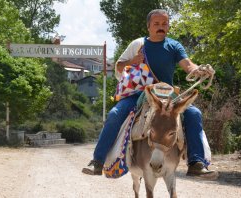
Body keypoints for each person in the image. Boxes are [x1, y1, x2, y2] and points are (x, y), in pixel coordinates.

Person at [82, 9, 217, 178]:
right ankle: (98, 161)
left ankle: (196, 163)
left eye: (164, 24)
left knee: (194, 113)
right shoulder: (137, 45)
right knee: (115, 114)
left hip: (167, 95)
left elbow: (187, 64)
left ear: (168, 26)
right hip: (139, 94)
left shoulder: (174, 46)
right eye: (156, 24)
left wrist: (198, 70)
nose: (161, 27)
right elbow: (118, 68)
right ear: (148, 26)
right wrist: (132, 61)